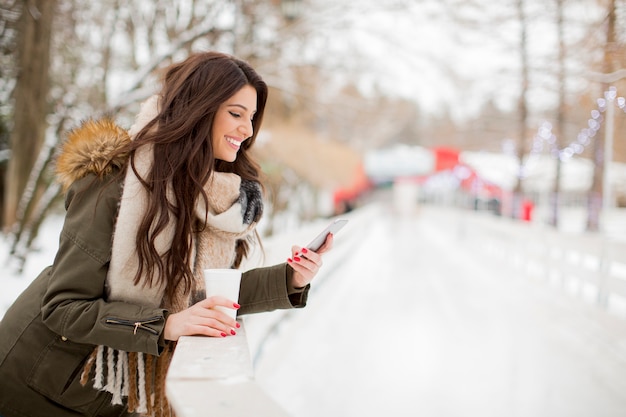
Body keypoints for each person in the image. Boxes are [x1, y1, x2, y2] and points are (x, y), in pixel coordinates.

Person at [0, 51, 333, 417]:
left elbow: (204, 299)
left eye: (252, 118)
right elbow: (64, 308)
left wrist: (291, 278)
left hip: (110, 392)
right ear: (199, 108)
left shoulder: (214, 197)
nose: (247, 130)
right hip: (40, 383)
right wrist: (166, 325)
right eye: (236, 114)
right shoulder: (116, 182)